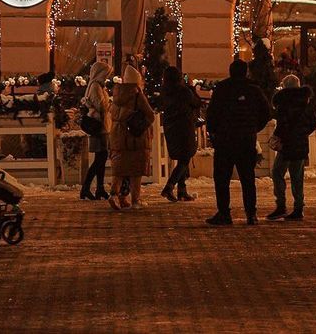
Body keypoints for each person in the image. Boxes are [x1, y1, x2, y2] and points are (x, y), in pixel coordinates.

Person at [204, 57, 272, 226]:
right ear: (245, 72)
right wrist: (253, 127)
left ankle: (224, 213)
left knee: (222, 178)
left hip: (225, 139)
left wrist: (214, 131)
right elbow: (266, 112)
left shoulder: (222, 89)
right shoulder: (253, 90)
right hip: (246, 139)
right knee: (247, 178)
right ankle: (251, 213)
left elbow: (212, 114)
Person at [267, 73, 316, 221]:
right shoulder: (305, 103)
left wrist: (278, 137)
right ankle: (298, 207)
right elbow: (312, 123)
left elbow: (282, 124)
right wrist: (302, 134)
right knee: (297, 177)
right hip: (300, 144)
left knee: (277, 172)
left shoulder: (284, 103)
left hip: (287, 144)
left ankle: (281, 204)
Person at [108, 65, 155, 210]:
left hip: (118, 135)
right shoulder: (137, 95)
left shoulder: (117, 95)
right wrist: (143, 125)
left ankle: (113, 194)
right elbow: (150, 115)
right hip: (135, 138)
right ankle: (136, 200)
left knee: (120, 169)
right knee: (136, 170)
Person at [160, 65, 200, 203]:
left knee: (181, 157)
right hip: (184, 127)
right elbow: (196, 102)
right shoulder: (183, 91)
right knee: (185, 157)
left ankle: (182, 190)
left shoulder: (165, 91)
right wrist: (192, 88)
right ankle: (169, 186)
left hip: (171, 127)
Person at [79, 62, 112, 201]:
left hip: (102, 126)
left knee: (101, 158)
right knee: (100, 159)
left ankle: (99, 188)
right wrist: (109, 102)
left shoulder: (98, 86)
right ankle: (86, 188)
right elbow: (101, 105)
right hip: (99, 126)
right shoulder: (95, 87)